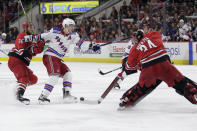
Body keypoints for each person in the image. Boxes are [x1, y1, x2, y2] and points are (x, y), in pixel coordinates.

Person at [23, 18, 100, 104]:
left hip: (58, 59)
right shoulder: (54, 32)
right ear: (65, 26)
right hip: (50, 56)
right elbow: (41, 36)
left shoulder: (73, 35)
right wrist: (28, 38)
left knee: (68, 74)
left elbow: (81, 43)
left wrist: (91, 46)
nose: (72, 28)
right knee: (54, 76)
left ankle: (67, 95)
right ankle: (43, 97)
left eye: (73, 26)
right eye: (71, 26)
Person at [119, 29, 197, 109]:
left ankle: (125, 101)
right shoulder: (153, 34)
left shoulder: (134, 48)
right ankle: (194, 92)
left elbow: (129, 67)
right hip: (165, 65)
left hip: (148, 70)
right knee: (181, 83)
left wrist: (137, 65)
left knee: (141, 88)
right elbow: (157, 36)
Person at [8, 21, 45, 105]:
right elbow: (20, 46)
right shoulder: (22, 35)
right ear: (26, 28)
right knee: (24, 77)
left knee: (33, 79)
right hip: (16, 60)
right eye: (30, 27)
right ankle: (19, 95)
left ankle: (17, 88)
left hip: (22, 63)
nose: (32, 29)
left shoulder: (33, 38)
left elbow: (35, 51)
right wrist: (23, 51)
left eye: (33, 27)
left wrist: (40, 45)